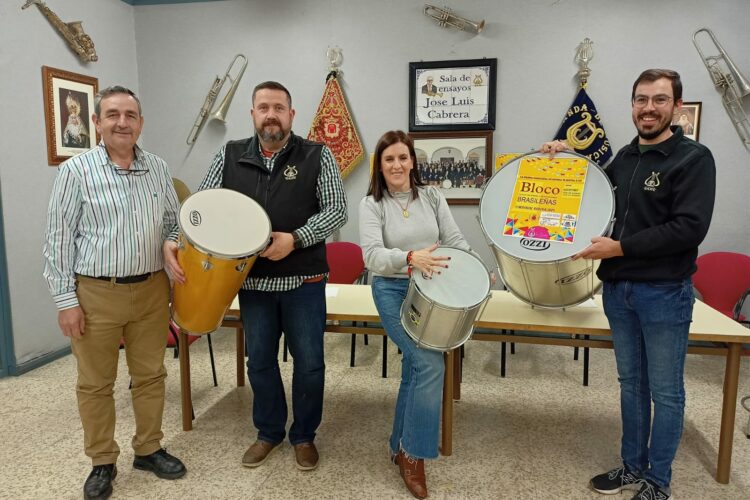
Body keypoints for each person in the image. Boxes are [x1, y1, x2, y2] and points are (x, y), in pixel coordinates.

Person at [541, 69, 716, 500]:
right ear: (633, 105)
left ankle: (658, 481)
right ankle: (632, 466)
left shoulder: (693, 159)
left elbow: (688, 229)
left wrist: (620, 248)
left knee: (666, 392)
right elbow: (594, 195)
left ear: (676, 107)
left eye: (659, 100)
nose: (649, 108)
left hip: (664, 293)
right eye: (641, 100)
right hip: (620, 292)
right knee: (631, 385)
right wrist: (562, 159)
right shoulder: (624, 157)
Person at [163, 81, 347, 471]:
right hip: (252, 284)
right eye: (263, 107)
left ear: (291, 115)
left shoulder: (318, 155)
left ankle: (304, 436)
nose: (271, 114)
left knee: (310, 364)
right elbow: (201, 208)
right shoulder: (229, 155)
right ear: (252, 114)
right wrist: (174, 239)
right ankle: (269, 432)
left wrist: (295, 239)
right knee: (259, 362)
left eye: (279, 107)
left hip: (304, 282)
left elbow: (336, 211)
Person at [43, 86, 187, 500]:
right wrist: (65, 301)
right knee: (95, 383)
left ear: (141, 122)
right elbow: (57, 239)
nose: (122, 122)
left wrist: (169, 242)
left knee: (150, 376)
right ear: (97, 123)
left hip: (151, 291)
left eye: (130, 115)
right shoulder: (76, 171)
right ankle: (102, 461)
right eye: (112, 115)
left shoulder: (158, 168)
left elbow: (173, 224)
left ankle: (149, 448)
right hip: (95, 293)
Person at [359, 130, 488, 499]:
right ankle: (414, 455)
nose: (397, 165)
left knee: (415, 369)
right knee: (430, 365)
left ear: (413, 161)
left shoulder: (432, 196)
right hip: (393, 290)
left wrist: (479, 269)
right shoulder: (372, 204)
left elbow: (455, 241)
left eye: (402, 157)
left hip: (432, 290)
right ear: (380, 167)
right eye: (389, 160)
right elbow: (371, 257)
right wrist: (410, 259)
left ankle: (398, 444)